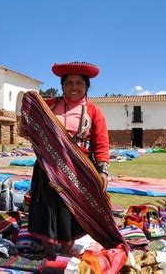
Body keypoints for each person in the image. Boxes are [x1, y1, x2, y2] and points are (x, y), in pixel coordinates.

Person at [27, 61, 110, 259]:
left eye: (79, 83)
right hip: (47, 168)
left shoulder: (93, 112)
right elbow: (30, 125)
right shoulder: (48, 106)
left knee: (69, 211)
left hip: (77, 170)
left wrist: (103, 170)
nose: (74, 87)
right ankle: (48, 253)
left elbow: (101, 143)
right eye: (69, 83)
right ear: (62, 86)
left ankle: (65, 253)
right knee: (46, 209)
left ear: (86, 87)